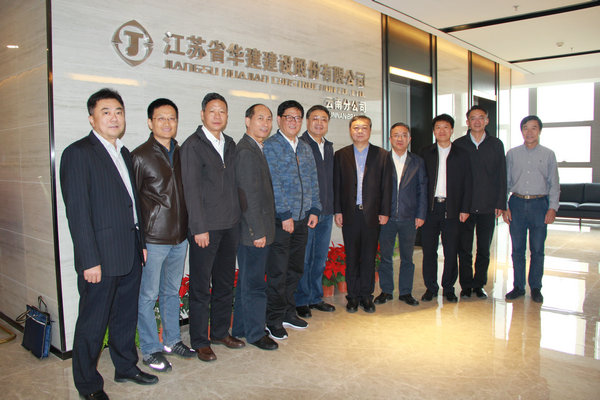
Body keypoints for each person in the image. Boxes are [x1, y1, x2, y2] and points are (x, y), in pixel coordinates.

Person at [60, 88, 158, 400]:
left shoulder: (124, 153)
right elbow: (77, 213)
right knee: (93, 323)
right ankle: (88, 385)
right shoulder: (78, 153)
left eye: (118, 112)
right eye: (106, 112)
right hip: (100, 258)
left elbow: (133, 205)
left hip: (129, 251)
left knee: (124, 318)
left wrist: (141, 243)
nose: (114, 118)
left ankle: (126, 367)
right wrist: (89, 260)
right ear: (92, 118)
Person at [132, 98, 195, 373]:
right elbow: (133, 202)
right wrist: (140, 240)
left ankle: (172, 341)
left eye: (172, 118)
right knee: (147, 296)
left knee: (171, 291)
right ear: (150, 122)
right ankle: (150, 349)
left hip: (180, 237)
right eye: (161, 118)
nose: (167, 123)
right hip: (154, 239)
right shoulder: (140, 156)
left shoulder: (182, 153)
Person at [180, 93, 243, 362]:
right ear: (203, 114)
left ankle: (219, 332)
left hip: (230, 225)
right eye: (212, 111)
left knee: (225, 283)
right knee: (200, 286)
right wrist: (199, 227)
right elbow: (191, 190)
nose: (218, 116)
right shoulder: (192, 145)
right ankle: (199, 340)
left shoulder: (230, 143)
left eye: (222, 112)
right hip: (206, 229)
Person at [263, 100, 321, 340]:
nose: (293, 121)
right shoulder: (271, 146)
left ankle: (288, 312)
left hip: (302, 219)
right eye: (289, 117)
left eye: (297, 117)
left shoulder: (305, 147)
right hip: (282, 221)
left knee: (295, 269)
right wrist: (284, 214)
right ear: (279, 120)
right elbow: (273, 183)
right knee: (278, 272)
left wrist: (315, 208)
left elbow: (313, 180)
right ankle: (273, 319)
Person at [231, 104, 278, 351]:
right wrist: (258, 232)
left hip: (255, 231)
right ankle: (256, 333)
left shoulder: (256, 147)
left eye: (269, 119)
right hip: (253, 233)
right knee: (256, 285)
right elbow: (247, 196)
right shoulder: (246, 151)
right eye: (260, 118)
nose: (265, 124)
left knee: (247, 283)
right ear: (247, 121)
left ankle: (241, 327)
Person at [334, 115, 392, 313]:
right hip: (349, 214)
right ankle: (352, 296)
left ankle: (366, 296)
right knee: (351, 256)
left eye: (364, 127)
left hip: (372, 215)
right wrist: (338, 210)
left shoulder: (382, 155)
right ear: (350, 130)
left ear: (370, 130)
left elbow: (387, 186)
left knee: (368, 256)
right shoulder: (341, 155)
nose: (360, 131)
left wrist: (385, 211)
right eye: (356, 128)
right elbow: (337, 185)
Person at [503, 115, 559, 303]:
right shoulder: (512, 154)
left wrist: (552, 208)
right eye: (526, 128)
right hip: (517, 204)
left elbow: (554, 183)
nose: (529, 132)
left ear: (539, 131)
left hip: (539, 205)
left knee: (537, 249)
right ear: (521, 131)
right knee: (517, 249)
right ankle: (518, 287)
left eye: (534, 128)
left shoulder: (548, 154)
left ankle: (535, 287)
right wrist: (504, 206)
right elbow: (505, 182)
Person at [454, 105, 507, 299]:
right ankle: (466, 285)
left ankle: (479, 284)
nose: (477, 121)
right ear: (467, 122)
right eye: (473, 118)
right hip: (465, 207)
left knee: (484, 249)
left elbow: (502, 175)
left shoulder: (496, 144)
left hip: (487, 205)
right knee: (464, 249)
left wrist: (501, 203)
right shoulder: (459, 144)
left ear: (487, 120)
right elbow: (455, 177)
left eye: (481, 117)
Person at [420, 114, 472, 303]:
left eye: (445, 127)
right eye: (438, 127)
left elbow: (468, 183)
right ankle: (431, 287)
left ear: (452, 130)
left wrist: (465, 208)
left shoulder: (462, 154)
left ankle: (448, 288)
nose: (442, 131)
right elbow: (420, 183)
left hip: (453, 209)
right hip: (430, 209)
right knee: (429, 251)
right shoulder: (425, 153)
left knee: (451, 251)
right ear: (434, 131)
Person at [375, 122, 427, 307]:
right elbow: (376, 190)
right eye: (396, 135)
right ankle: (386, 291)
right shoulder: (382, 160)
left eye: (404, 135)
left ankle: (406, 292)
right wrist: (379, 212)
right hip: (386, 217)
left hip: (409, 217)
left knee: (407, 258)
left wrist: (421, 214)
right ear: (390, 138)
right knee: (386, 257)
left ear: (409, 139)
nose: (400, 139)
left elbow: (422, 189)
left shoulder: (417, 161)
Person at [295, 105, 336, 318]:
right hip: (308, 213)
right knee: (304, 258)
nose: (319, 123)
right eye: (315, 118)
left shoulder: (328, 147)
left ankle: (315, 297)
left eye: (324, 119)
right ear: (307, 121)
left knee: (319, 258)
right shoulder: (300, 145)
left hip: (326, 212)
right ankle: (301, 300)